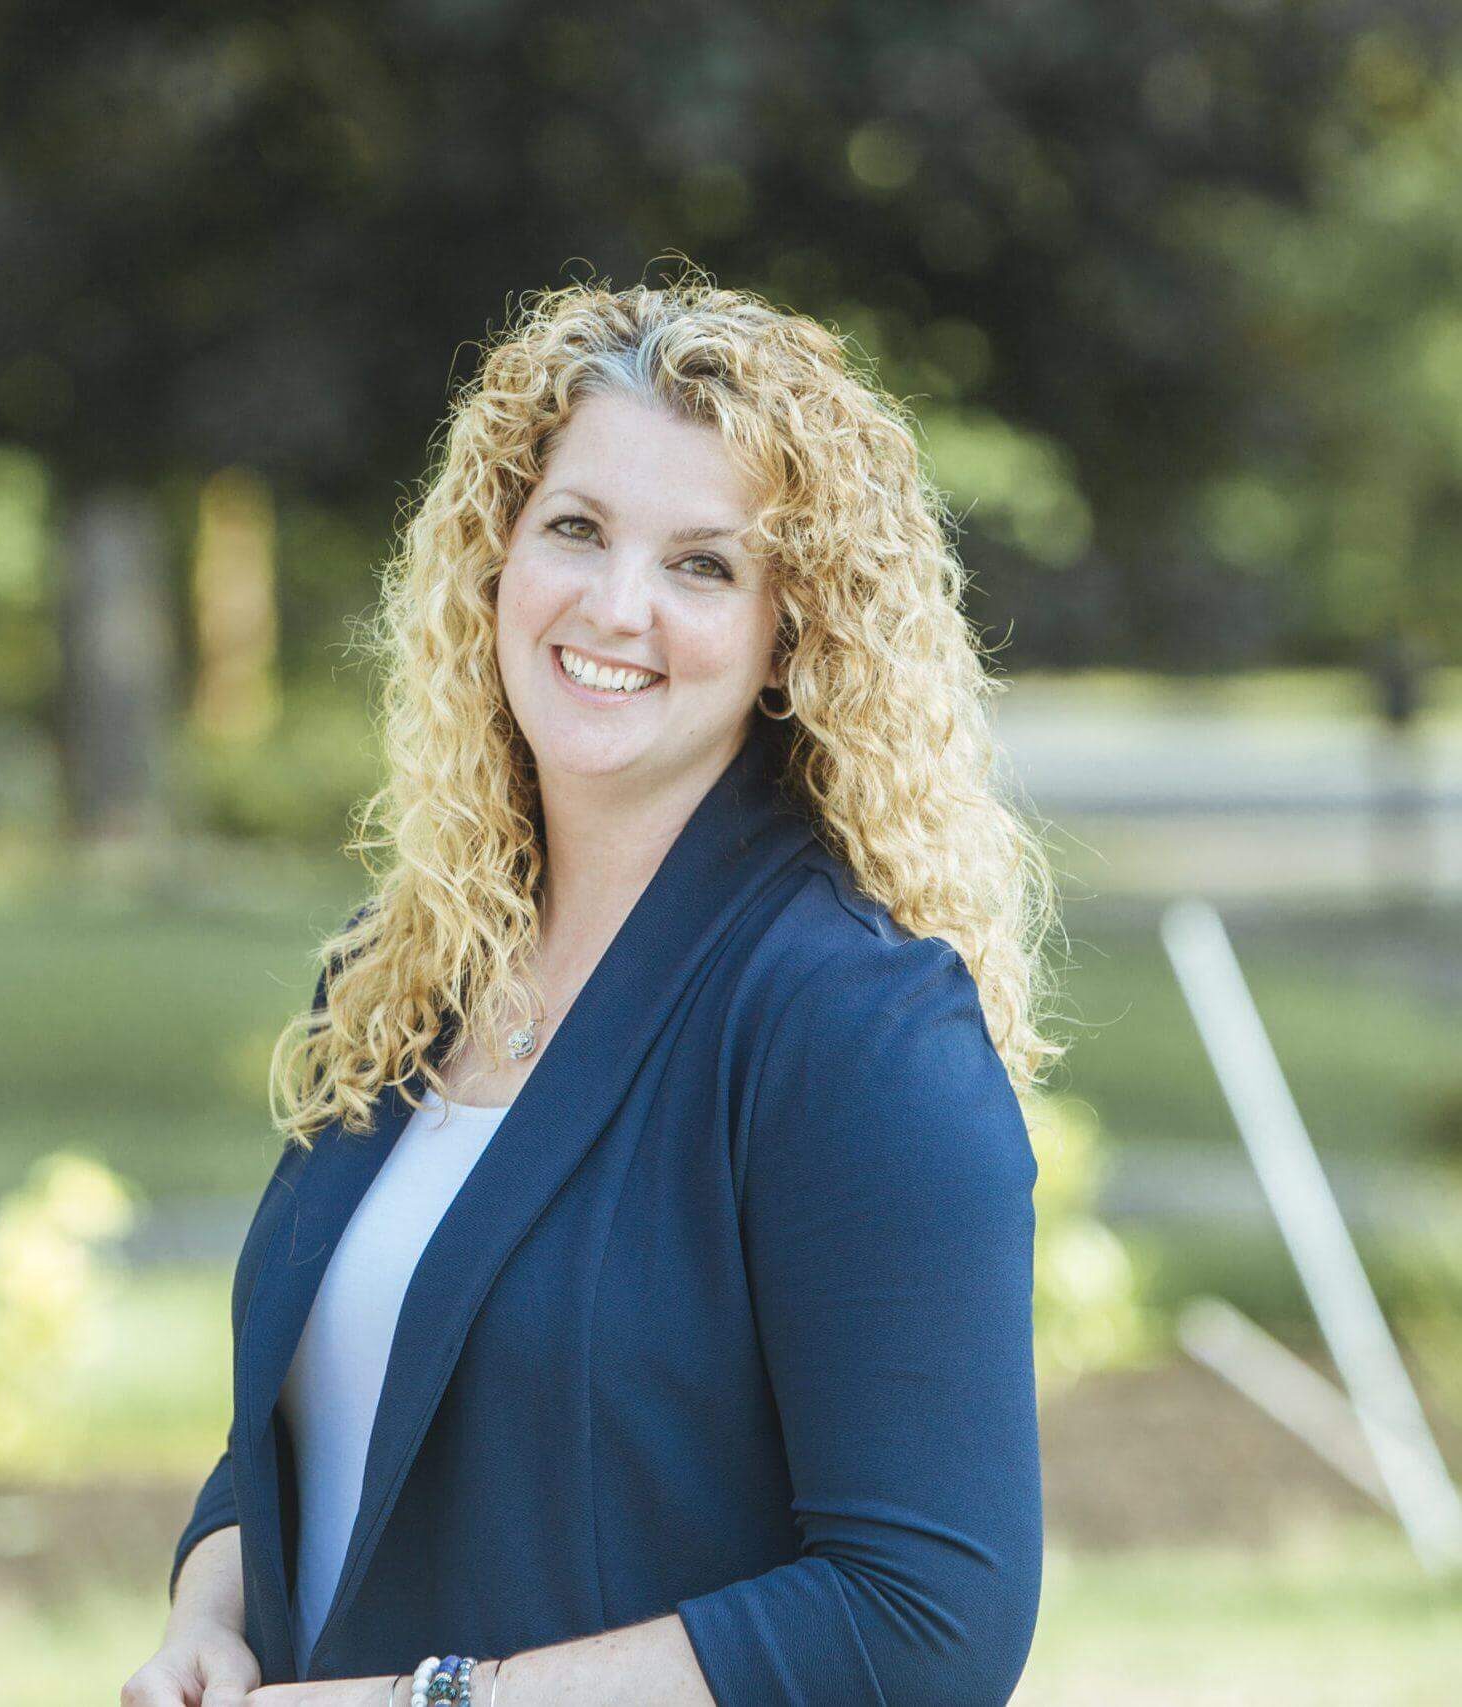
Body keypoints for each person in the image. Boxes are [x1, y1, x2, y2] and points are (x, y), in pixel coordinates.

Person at [121, 268, 1065, 1707]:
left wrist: (439, 1701)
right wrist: (211, 1616)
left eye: (705, 564)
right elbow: (343, 1398)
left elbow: (929, 1618)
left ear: (788, 635)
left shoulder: (854, 1025)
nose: (618, 606)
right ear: (496, 558)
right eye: (575, 529)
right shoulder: (407, 966)